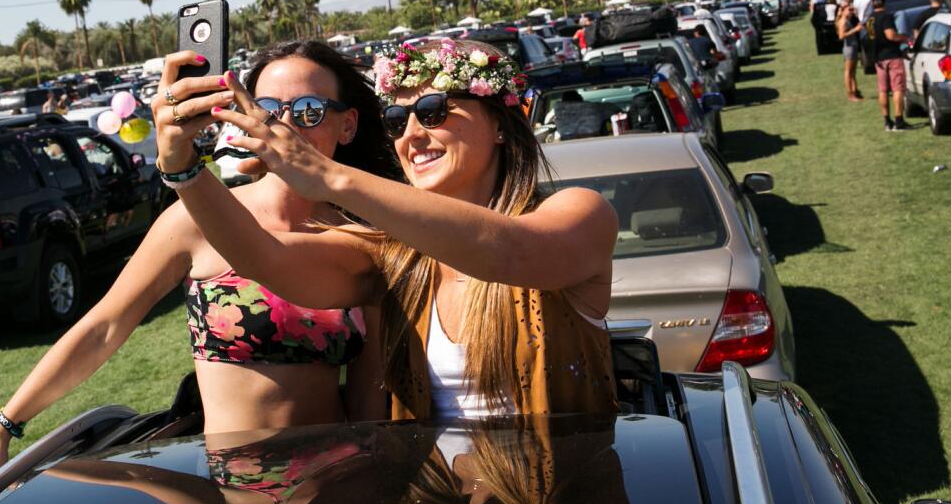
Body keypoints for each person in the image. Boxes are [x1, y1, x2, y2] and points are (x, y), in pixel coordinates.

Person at [0, 40, 402, 490]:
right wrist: (5, 425)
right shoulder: (196, 219)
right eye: (267, 109)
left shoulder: (364, 239)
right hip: (233, 499)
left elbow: (372, 395)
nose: (284, 126)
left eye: (309, 110)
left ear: (347, 125)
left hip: (331, 490)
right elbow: (104, 328)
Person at [152, 37, 618, 423]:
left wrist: (330, 176)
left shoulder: (581, 212)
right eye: (397, 120)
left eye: (434, 111)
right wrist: (183, 166)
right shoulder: (392, 254)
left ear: (499, 123)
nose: (411, 134)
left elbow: (509, 254)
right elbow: (263, 258)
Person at [869, 0, 911, 131]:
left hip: (878, 59)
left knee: (883, 90)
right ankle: (899, 121)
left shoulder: (870, 19)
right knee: (898, 88)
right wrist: (904, 38)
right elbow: (891, 35)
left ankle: (887, 121)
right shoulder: (885, 17)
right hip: (891, 56)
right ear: (884, 2)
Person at [835, 0, 865, 101]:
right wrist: (855, 30)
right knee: (848, 72)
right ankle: (850, 94)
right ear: (843, 10)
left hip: (853, 47)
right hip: (849, 48)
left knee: (853, 72)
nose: (851, 12)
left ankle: (855, 91)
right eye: (849, 10)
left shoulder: (847, 20)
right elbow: (841, 36)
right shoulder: (843, 21)